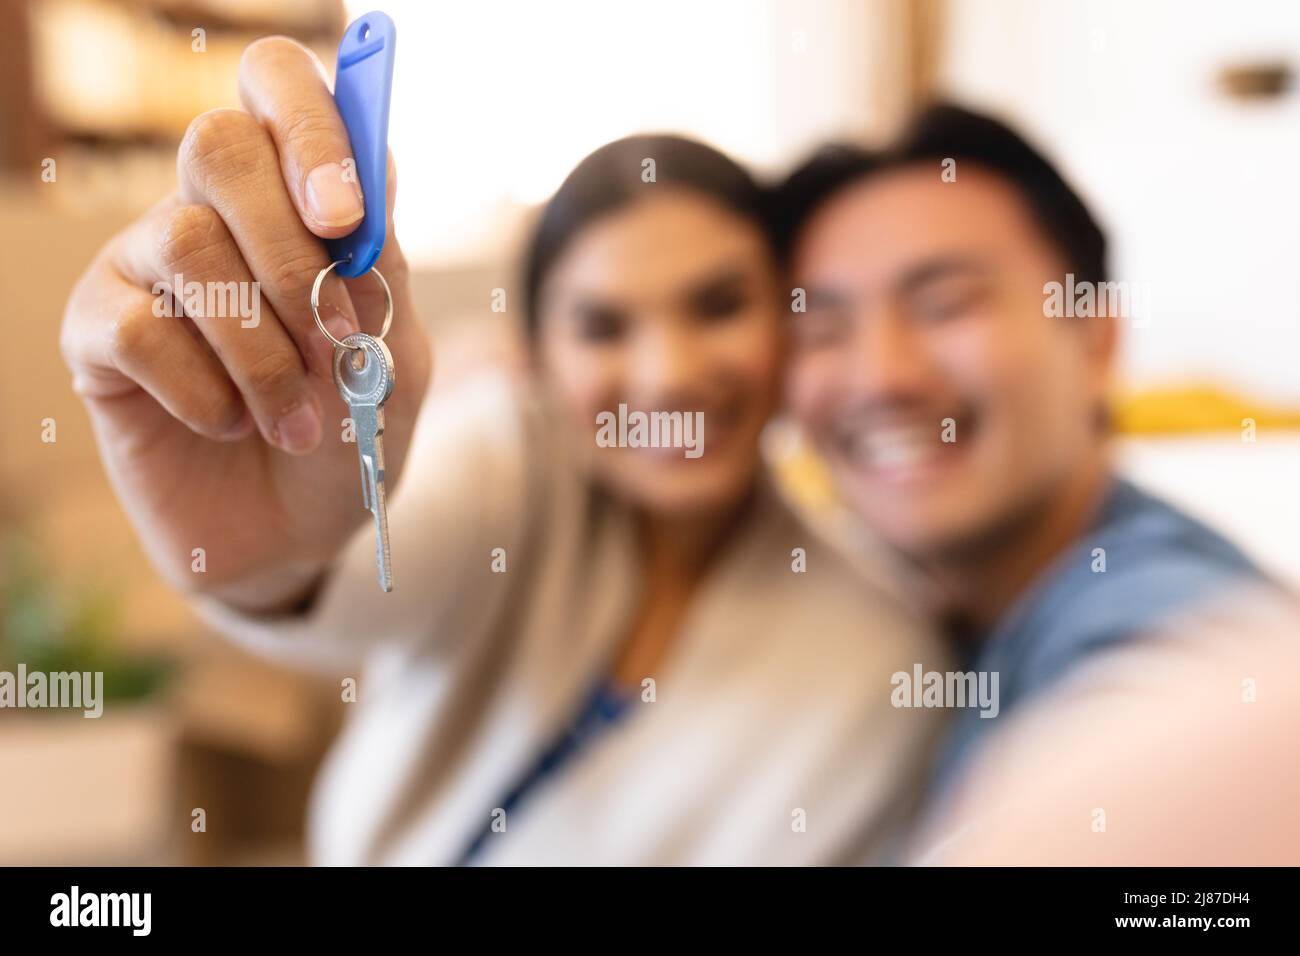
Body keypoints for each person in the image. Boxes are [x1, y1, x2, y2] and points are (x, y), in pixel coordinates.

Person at [61, 36, 943, 865]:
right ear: (538, 358)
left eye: (717, 306)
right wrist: (270, 559)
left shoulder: (873, 657)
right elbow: (366, 566)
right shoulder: (506, 460)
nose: (669, 374)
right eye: (601, 325)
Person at [775, 104, 1284, 837]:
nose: (882, 377)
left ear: (1096, 342)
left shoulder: (1154, 621)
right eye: (822, 330)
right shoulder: (930, 626)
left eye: (944, 305)